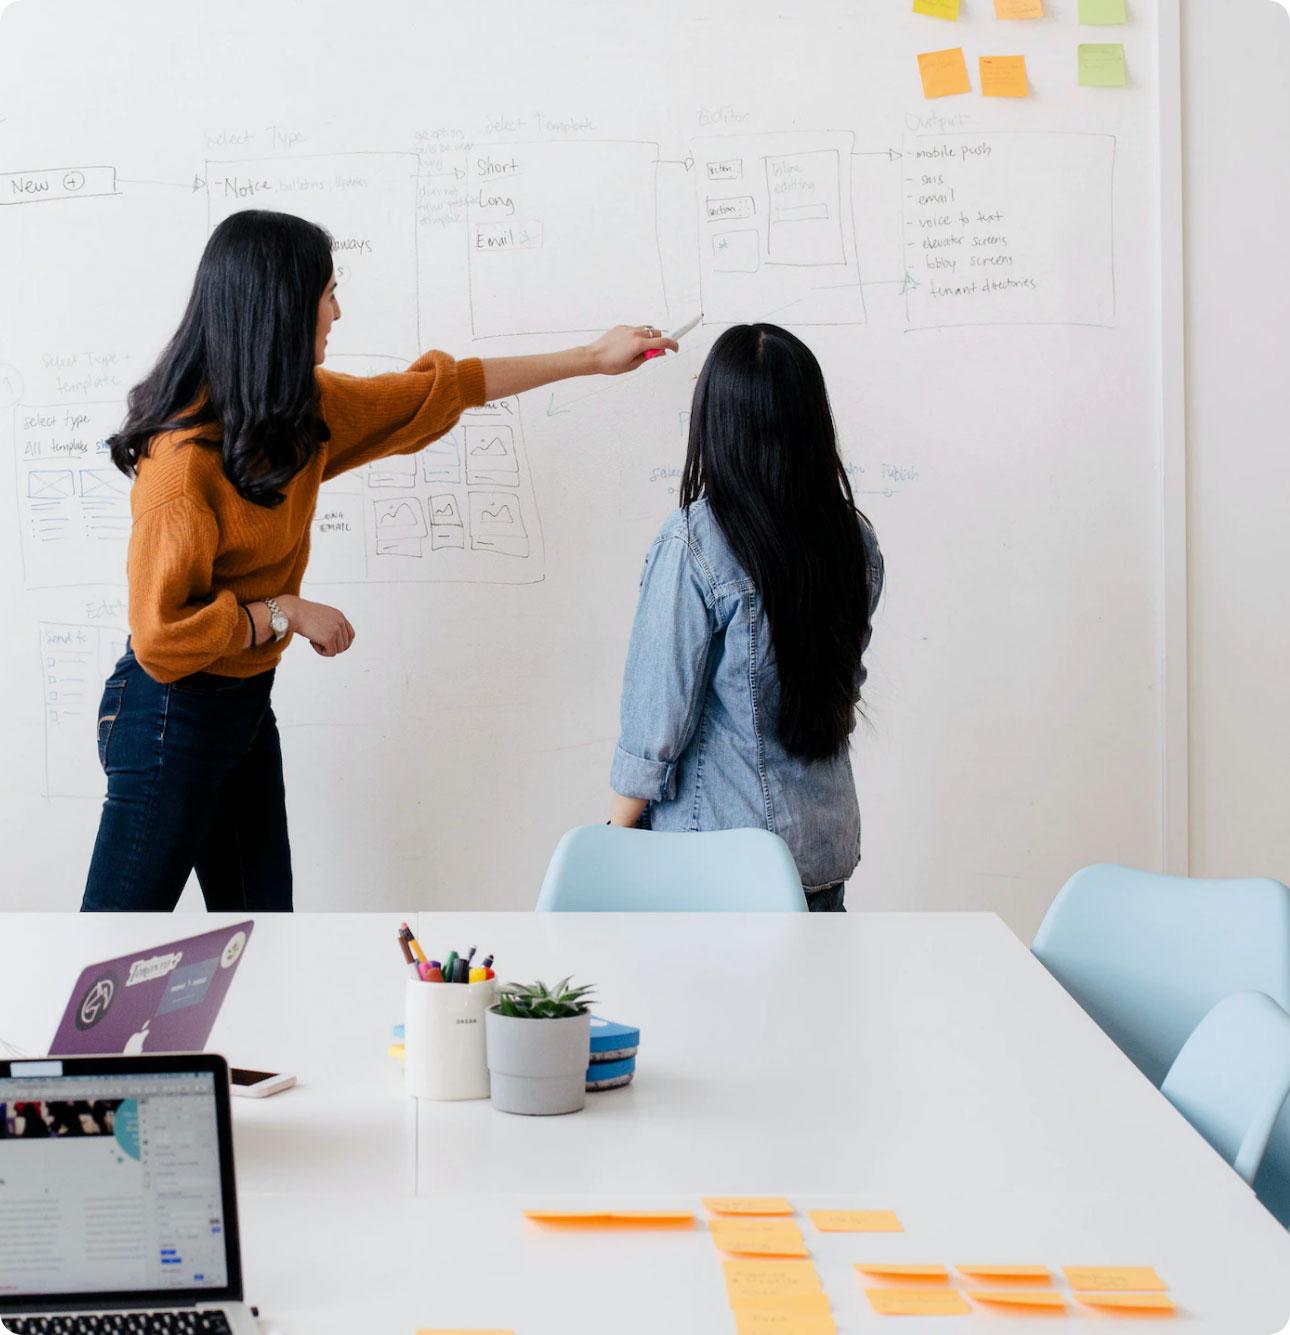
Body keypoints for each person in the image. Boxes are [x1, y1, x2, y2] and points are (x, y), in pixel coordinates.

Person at [83, 208, 676, 913]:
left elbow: (441, 389)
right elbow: (159, 638)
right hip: (165, 714)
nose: (337, 310)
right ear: (279, 309)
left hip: (241, 708)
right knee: (113, 953)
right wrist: (283, 612)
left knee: (265, 938)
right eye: (326, 293)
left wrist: (591, 358)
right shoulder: (180, 468)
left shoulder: (297, 414)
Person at [608, 323, 883, 910]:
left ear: (716, 419)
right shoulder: (851, 538)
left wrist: (613, 836)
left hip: (718, 859)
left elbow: (657, 718)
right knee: (809, 1004)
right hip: (820, 850)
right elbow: (841, 688)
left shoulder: (696, 542)